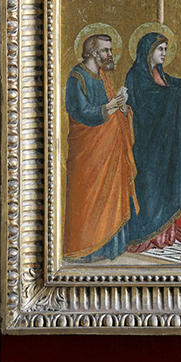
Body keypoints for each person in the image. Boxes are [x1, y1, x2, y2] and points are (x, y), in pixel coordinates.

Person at [123, 27, 181, 251]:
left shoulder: (159, 73)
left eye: (166, 49)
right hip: (148, 144)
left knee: (164, 184)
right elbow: (150, 100)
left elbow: (174, 85)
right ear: (148, 51)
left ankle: (166, 235)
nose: (164, 53)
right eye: (160, 49)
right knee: (150, 186)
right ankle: (147, 235)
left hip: (162, 143)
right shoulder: (137, 74)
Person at [63, 29, 136, 262]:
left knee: (109, 198)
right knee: (87, 201)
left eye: (110, 49)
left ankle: (109, 247)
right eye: (105, 50)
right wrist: (110, 108)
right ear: (93, 52)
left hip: (108, 153)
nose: (110, 54)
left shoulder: (103, 77)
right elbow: (80, 113)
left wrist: (123, 108)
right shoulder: (77, 78)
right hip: (88, 153)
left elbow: (112, 108)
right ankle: (85, 249)